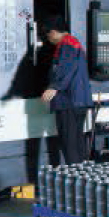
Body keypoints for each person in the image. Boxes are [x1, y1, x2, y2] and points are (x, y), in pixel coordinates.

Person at [40, 16, 93, 164]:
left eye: (48, 35)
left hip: (69, 101)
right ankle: (82, 173)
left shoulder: (67, 44)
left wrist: (53, 87)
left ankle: (75, 174)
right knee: (77, 140)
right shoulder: (73, 43)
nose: (48, 39)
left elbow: (65, 67)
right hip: (78, 101)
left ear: (53, 32)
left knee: (69, 143)